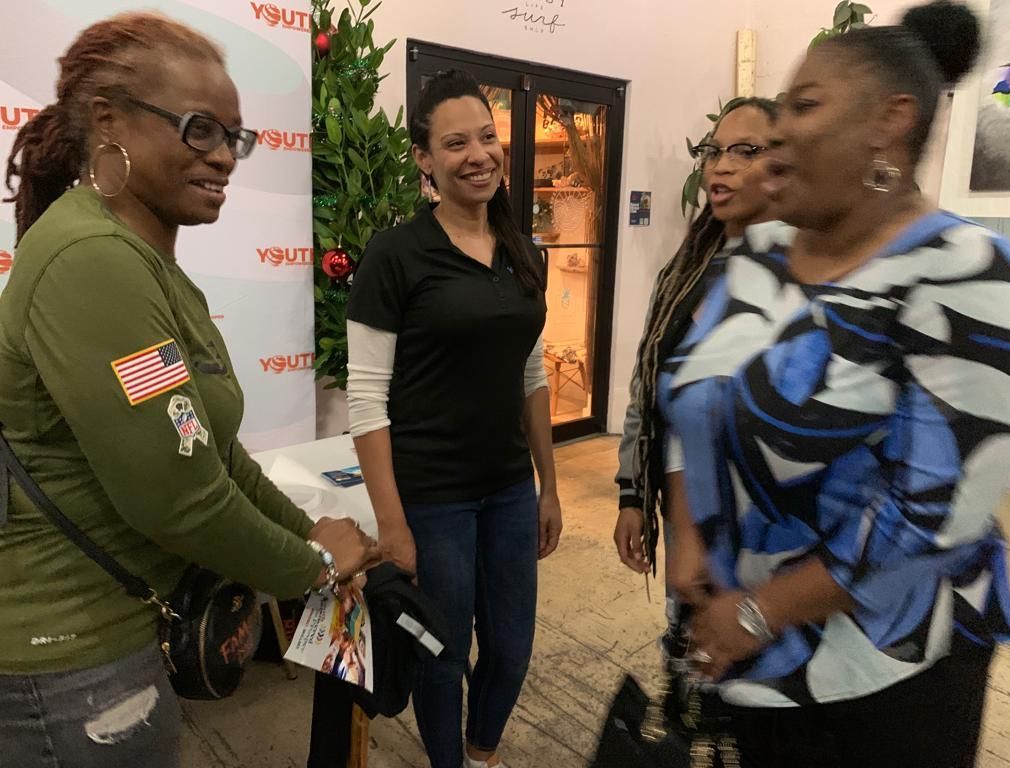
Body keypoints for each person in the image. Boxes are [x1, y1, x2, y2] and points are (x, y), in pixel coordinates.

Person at [0, 13, 378, 768]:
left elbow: (213, 456)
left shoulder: (145, 265)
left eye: (233, 137)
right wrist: (314, 568)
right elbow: (178, 499)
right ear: (108, 123)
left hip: (119, 645)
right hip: (73, 669)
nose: (225, 158)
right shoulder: (90, 261)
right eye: (199, 129)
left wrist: (307, 531)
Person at [662, 2, 1010, 766]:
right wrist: (688, 533)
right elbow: (691, 394)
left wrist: (759, 614)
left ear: (890, 122)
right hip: (744, 653)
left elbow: (933, 513)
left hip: (883, 675)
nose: (781, 129)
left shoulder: (964, 273)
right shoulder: (757, 256)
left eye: (806, 104)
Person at [346, 69, 562, 768]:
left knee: (511, 644)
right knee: (441, 653)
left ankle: (482, 754)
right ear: (424, 158)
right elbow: (366, 397)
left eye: (488, 137)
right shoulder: (395, 255)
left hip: (506, 488)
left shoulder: (522, 251)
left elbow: (530, 371)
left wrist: (548, 484)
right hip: (431, 495)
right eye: (456, 142)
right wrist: (392, 523)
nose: (479, 154)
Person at [613, 97, 778, 635]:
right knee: (692, 644)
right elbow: (649, 384)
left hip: (769, 519)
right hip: (689, 507)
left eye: (745, 151)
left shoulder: (801, 272)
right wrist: (632, 494)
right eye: (714, 151)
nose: (721, 165)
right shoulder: (686, 270)